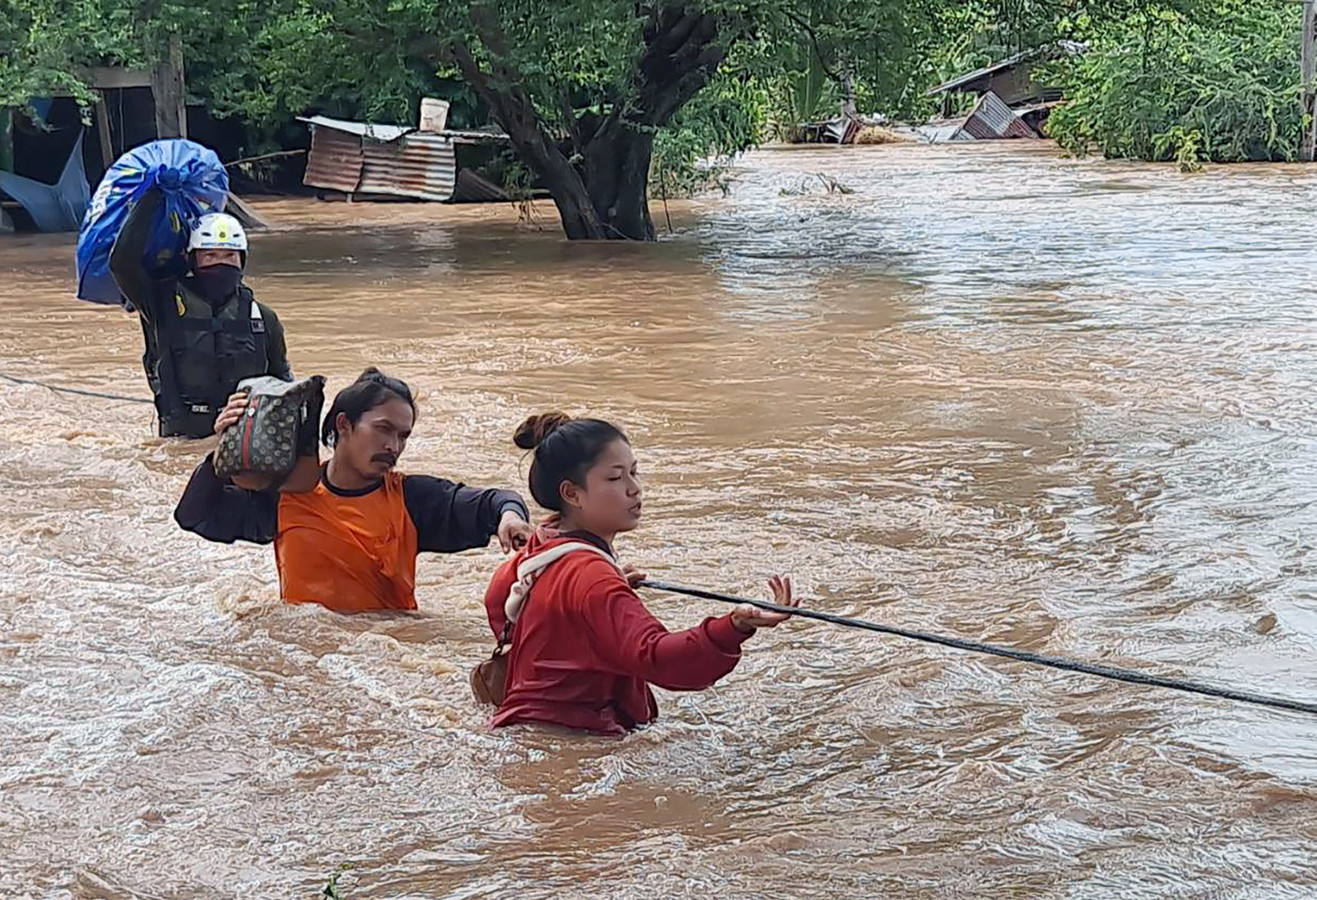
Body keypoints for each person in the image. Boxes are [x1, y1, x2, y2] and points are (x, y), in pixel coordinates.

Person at [483, 412, 799, 735]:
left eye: (634, 473)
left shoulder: (541, 545)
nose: (635, 489)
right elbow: (658, 658)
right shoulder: (593, 577)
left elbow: (498, 601)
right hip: (575, 743)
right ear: (572, 494)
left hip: (521, 731)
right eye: (615, 478)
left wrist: (584, 610)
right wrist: (734, 626)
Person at [174, 368, 534, 613]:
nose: (394, 446)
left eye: (403, 436)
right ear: (344, 425)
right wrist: (224, 452)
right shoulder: (286, 497)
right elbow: (194, 516)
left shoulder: (412, 499)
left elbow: (491, 502)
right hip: (309, 659)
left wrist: (510, 517)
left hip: (387, 656)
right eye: (383, 429)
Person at [110, 191, 292, 438]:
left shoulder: (262, 318)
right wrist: (153, 196)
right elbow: (122, 264)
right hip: (182, 434)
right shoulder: (160, 303)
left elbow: (283, 381)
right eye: (210, 255)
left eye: (230, 256)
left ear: (242, 261)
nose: (221, 263)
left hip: (243, 433)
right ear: (191, 259)